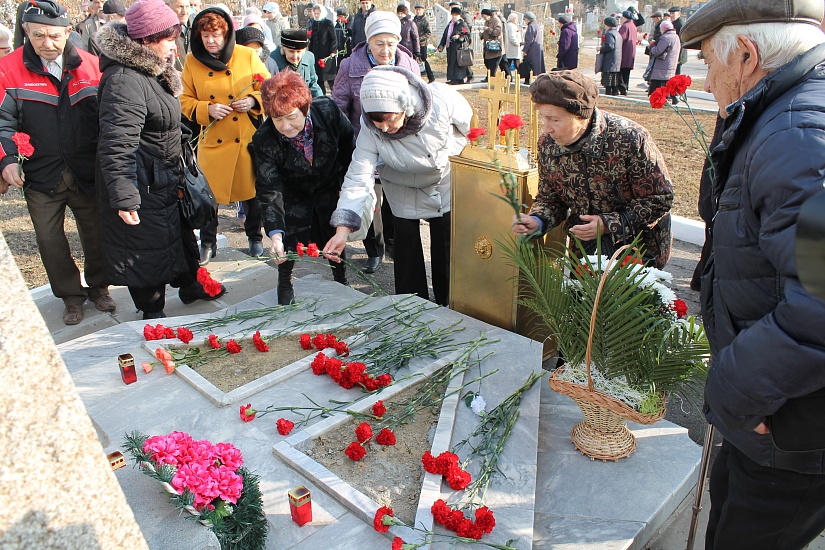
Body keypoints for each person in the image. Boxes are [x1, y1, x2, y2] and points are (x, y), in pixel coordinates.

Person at [680, 1, 825, 547]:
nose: (706, 79)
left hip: (790, 429)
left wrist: (734, 393)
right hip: (775, 418)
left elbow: (821, 302)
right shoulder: (783, 112)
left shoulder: (801, 139)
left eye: (708, 62)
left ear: (745, 54)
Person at [95, 0, 224, 319]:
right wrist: (125, 198)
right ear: (145, 41)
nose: (174, 47)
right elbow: (117, 143)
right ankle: (152, 313)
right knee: (147, 253)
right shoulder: (124, 79)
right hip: (142, 183)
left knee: (179, 239)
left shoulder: (152, 69)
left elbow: (159, 116)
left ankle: (191, 286)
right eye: (168, 39)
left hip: (165, 174)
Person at [0, 0, 116, 325]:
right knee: (49, 240)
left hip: (85, 172)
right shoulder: (8, 70)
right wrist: (7, 160)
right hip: (40, 176)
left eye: (54, 36)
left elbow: (110, 117)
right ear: (25, 31)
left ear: (68, 31)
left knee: (95, 233)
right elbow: (2, 122)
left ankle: (99, 287)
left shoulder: (91, 66)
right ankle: (70, 296)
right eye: (38, 36)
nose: (47, 44)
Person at [323, 66, 473, 306]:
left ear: (406, 106)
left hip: (442, 182)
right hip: (400, 184)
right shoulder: (371, 130)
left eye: (389, 119)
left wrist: (450, 152)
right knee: (406, 247)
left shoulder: (441, 100)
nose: (384, 128)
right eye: (376, 121)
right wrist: (343, 228)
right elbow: (358, 176)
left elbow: (469, 129)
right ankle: (412, 306)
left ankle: (450, 302)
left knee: (446, 242)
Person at [512, 71, 673, 269]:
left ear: (580, 117)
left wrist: (608, 224)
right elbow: (550, 198)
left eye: (554, 120)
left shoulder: (629, 138)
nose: (547, 128)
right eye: (544, 118)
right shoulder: (548, 145)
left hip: (636, 253)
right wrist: (538, 220)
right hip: (584, 252)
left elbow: (660, 198)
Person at [252, 71, 355, 304]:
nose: (286, 126)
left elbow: (350, 147)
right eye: (278, 120)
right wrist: (274, 233)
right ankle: (285, 279)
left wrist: (355, 192)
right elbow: (269, 188)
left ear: (304, 108)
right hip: (293, 190)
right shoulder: (265, 139)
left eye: (291, 117)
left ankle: (341, 277)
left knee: (333, 231)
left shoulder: (327, 111)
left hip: (328, 182)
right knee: (289, 237)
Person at [180, 6, 271, 263]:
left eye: (216, 35)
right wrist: (205, 108)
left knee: (251, 193)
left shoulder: (246, 55)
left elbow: (268, 87)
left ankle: (254, 237)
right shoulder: (191, 61)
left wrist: (253, 101)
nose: (210, 41)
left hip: (244, 138)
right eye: (205, 35)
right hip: (213, 140)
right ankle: (207, 242)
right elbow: (184, 99)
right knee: (210, 196)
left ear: (227, 34)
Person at [333, 11, 418, 273]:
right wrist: (349, 140)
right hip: (365, 143)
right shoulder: (351, 66)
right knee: (371, 200)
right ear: (368, 41)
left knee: (398, 200)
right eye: (379, 43)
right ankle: (375, 249)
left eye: (391, 43)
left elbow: (418, 104)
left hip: (399, 144)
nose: (386, 50)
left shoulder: (408, 64)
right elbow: (339, 105)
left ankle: (394, 245)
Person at [270, 29, 323, 97]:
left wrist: (322, 101)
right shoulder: (272, 60)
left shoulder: (309, 57)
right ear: (283, 49)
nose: (295, 56)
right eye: (291, 51)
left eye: (299, 52)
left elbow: (313, 83)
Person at [646, 19, 680, 103]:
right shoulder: (676, 36)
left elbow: (657, 51)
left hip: (662, 66)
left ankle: (663, 100)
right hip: (671, 65)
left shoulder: (665, 38)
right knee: (668, 83)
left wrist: (652, 47)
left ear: (663, 28)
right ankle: (674, 97)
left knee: (660, 85)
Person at [437, 6, 471, 85]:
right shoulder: (450, 25)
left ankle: (458, 78)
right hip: (451, 47)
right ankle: (452, 78)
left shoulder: (462, 24)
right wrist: (441, 46)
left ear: (459, 15)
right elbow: (445, 36)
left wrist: (459, 37)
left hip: (458, 47)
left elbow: (467, 35)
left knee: (458, 63)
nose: (454, 17)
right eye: (453, 15)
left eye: (456, 15)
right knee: (451, 62)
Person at [308, 4, 336, 94]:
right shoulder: (314, 23)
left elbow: (333, 38)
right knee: (319, 78)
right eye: (315, 13)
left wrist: (333, 51)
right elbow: (313, 39)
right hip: (316, 54)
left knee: (329, 78)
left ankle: (336, 95)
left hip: (326, 54)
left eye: (318, 13)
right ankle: (322, 97)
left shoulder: (328, 23)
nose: (316, 15)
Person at [598, 16, 622, 96]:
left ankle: (608, 94)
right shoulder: (618, 34)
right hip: (616, 60)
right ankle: (615, 93)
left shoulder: (609, 34)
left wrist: (601, 48)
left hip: (610, 60)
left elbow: (610, 46)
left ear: (607, 25)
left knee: (608, 82)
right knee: (614, 81)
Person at [521, 12, 545, 84]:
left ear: (528, 19)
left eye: (525, 19)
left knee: (529, 64)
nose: (525, 21)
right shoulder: (536, 25)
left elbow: (529, 39)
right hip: (537, 48)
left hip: (532, 49)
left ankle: (527, 80)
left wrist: (525, 50)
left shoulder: (531, 26)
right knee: (537, 65)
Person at [480, 7, 502, 81]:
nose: (484, 19)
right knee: (487, 62)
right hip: (487, 47)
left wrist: (488, 29)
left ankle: (491, 78)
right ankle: (488, 76)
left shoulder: (496, 21)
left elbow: (497, 32)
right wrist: (482, 34)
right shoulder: (487, 22)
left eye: (485, 17)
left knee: (493, 64)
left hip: (494, 47)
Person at [413, 3, 434, 83]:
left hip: (422, 44)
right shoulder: (414, 20)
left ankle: (430, 76)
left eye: (420, 10)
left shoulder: (425, 21)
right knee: (415, 60)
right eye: (417, 10)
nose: (418, 11)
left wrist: (420, 38)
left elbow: (428, 33)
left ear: (423, 10)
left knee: (424, 60)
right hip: (415, 44)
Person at [617, 10, 636, 95]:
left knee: (621, 72)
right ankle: (626, 87)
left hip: (624, 53)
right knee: (626, 73)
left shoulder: (625, 26)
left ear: (625, 17)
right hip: (631, 53)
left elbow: (620, 39)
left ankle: (623, 89)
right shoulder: (633, 25)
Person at [169, 0, 191, 70]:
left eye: (187, 7)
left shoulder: (198, 28)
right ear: (168, 7)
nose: (184, 12)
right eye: (180, 7)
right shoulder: (163, 32)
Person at [667, 6, 688, 75]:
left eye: (673, 13)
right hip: (675, 52)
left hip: (678, 53)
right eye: (671, 13)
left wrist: (679, 56)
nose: (671, 15)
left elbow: (682, 41)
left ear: (679, 14)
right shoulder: (674, 23)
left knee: (676, 74)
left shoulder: (680, 24)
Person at [492, 6, 510, 79]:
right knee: (503, 61)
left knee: (502, 61)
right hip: (502, 43)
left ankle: (508, 75)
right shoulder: (501, 19)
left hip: (501, 43)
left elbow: (503, 32)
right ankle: (508, 75)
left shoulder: (500, 20)